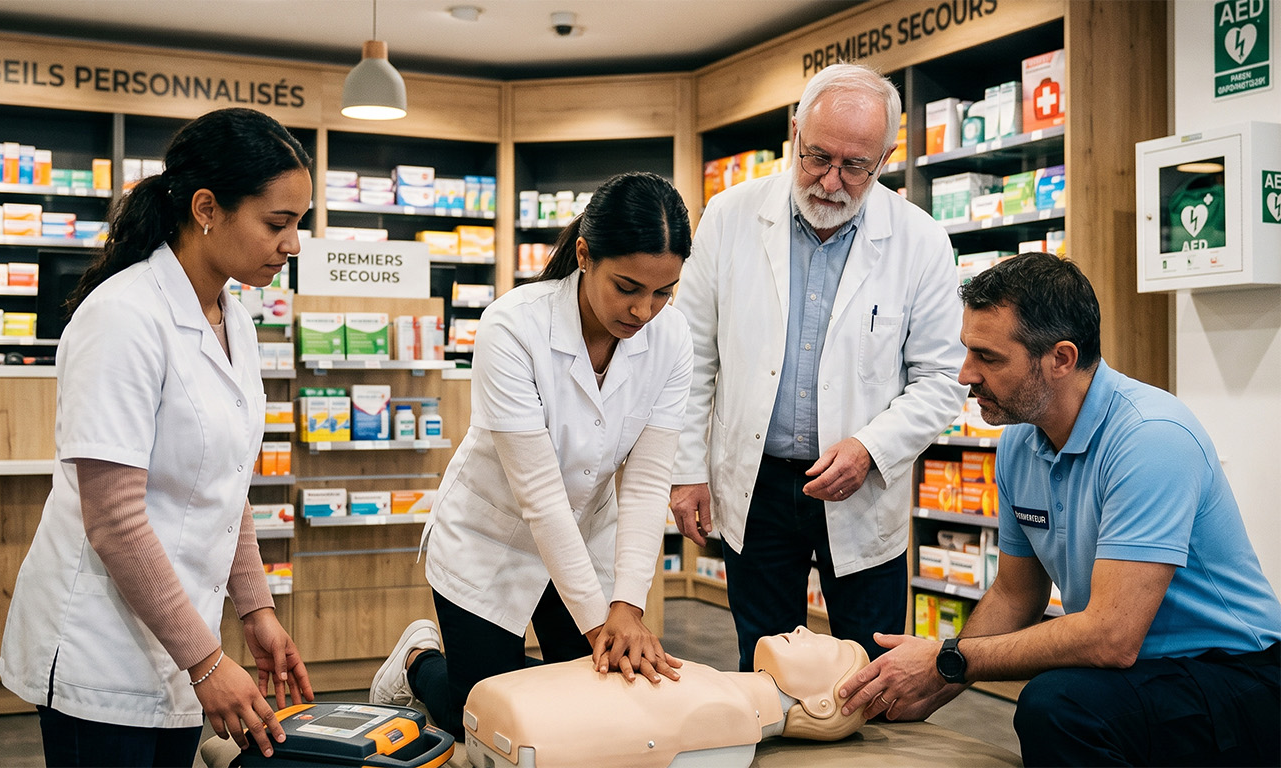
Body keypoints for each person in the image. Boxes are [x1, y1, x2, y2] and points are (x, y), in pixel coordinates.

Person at [840, 252, 1281, 767]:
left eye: (988, 357)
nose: (965, 374)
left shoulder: (1151, 438)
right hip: (1146, 674)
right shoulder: (1020, 443)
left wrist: (945, 660)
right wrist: (928, 688)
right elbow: (1016, 595)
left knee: (1058, 704)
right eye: (967, 351)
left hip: (1237, 675)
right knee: (1064, 697)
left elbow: (1111, 637)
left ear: (1061, 358)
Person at [0, 107, 315, 767]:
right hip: (101, 654)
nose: (292, 244)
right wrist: (206, 661)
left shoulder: (236, 322)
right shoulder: (123, 316)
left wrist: (255, 610)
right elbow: (114, 520)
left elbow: (226, 482)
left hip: (180, 644)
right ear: (207, 208)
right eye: (277, 223)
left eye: (298, 224)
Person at [368, 171, 694, 740]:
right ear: (585, 256)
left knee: (596, 711)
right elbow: (540, 496)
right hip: (491, 539)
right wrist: (599, 628)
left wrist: (627, 608)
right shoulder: (513, 326)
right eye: (628, 287)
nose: (644, 311)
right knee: (485, 721)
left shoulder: (672, 339)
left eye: (663, 292)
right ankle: (419, 662)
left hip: (585, 537)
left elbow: (646, 486)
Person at [670, 62, 966, 670]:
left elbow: (942, 380)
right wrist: (686, 470)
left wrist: (871, 448)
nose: (831, 181)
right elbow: (690, 358)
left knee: (873, 668)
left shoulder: (921, 240)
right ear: (795, 132)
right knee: (765, 667)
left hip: (861, 485)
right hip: (755, 484)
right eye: (817, 157)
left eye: (855, 166)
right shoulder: (729, 216)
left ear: (885, 159)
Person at [463, 627, 871, 768]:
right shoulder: (717, 688)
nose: (802, 629)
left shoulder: (729, 712)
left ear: (822, 705)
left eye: (824, 645)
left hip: (523, 725)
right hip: (514, 715)